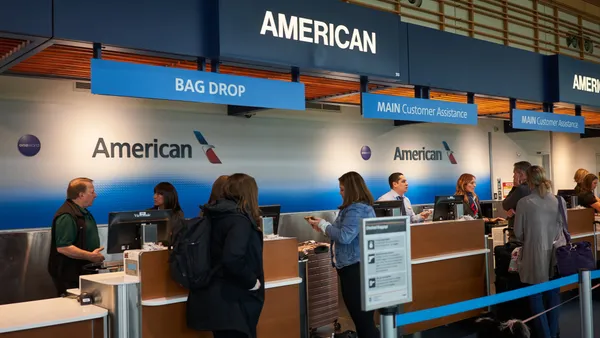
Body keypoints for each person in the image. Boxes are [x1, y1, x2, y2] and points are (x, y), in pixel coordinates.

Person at [187, 174, 264, 338]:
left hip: (214, 299)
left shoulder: (214, 214)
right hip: (233, 301)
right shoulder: (239, 220)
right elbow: (232, 258)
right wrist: (252, 282)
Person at [307, 171, 379, 338]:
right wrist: (324, 228)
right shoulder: (358, 208)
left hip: (355, 269)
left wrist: (324, 225)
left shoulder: (356, 209)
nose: (340, 192)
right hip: (355, 267)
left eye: (342, 189)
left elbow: (345, 236)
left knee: (363, 320)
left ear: (351, 189)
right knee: (362, 319)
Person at [514, 166, 563, 338]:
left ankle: (545, 335)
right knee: (553, 295)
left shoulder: (524, 203)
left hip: (535, 255)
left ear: (529, 181)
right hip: (557, 255)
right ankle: (553, 332)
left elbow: (518, 233)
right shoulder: (560, 201)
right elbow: (564, 228)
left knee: (536, 296)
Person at [47, 177, 104, 296]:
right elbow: (64, 247)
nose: (95, 195)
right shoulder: (67, 215)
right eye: (92, 192)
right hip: (70, 276)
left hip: (84, 271)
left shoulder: (82, 212)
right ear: (81, 195)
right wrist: (90, 256)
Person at [502, 161, 532, 243]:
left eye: (514, 173)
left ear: (521, 174)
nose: (513, 176)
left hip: (518, 232)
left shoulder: (521, 189)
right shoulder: (534, 187)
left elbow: (505, 204)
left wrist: (514, 187)